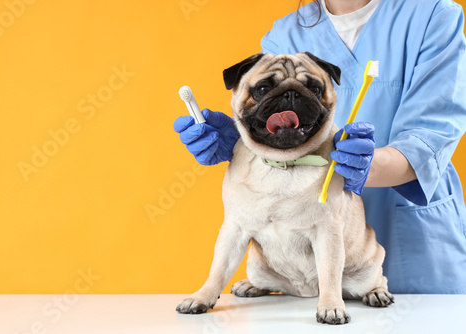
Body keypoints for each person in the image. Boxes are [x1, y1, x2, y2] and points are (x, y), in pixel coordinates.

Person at [173, 0, 466, 294]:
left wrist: (364, 166)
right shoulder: (285, 32)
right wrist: (244, 143)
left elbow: (430, 135)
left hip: (414, 245)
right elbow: (271, 125)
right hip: (302, 264)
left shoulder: (433, 14)